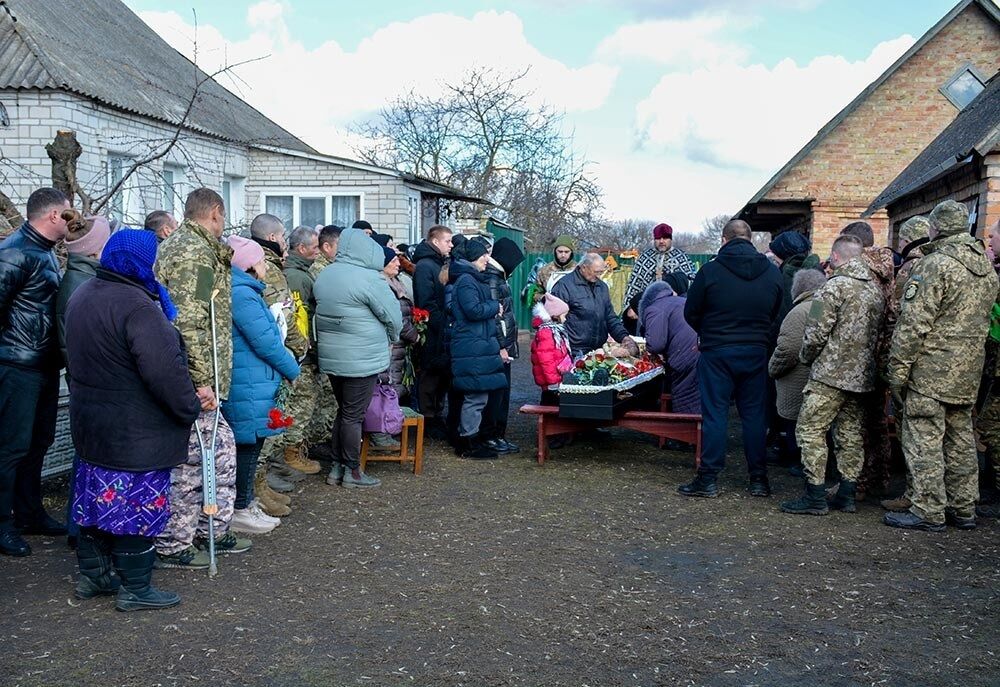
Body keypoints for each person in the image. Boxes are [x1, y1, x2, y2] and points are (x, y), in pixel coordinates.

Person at [65, 229, 200, 610]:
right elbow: (164, 373)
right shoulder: (138, 307)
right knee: (137, 508)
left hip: (92, 424)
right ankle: (136, 588)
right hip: (135, 431)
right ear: (142, 263)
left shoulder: (83, 295)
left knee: (95, 502)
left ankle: (95, 575)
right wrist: (189, 405)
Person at [884, 200, 998, 531]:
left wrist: (898, 369)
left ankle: (928, 508)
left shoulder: (936, 265)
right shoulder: (985, 268)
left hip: (931, 371)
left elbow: (913, 325)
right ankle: (964, 507)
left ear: (936, 228)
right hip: (967, 371)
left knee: (924, 437)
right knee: (961, 438)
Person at [154, 188, 249, 569]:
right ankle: (177, 540)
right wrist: (200, 378)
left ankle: (208, 528)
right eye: (223, 218)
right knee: (197, 459)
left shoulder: (198, 249)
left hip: (207, 373)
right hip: (198, 378)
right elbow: (190, 320)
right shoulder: (193, 254)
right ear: (215, 212)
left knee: (218, 453)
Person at [780, 236, 884, 516]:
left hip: (829, 375)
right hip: (861, 377)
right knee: (850, 435)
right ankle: (847, 494)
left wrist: (806, 358)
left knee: (810, 430)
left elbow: (814, 334)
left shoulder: (832, 288)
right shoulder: (874, 291)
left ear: (836, 257)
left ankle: (815, 494)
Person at [678, 219, 782, 499]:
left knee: (715, 414)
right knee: (754, 416)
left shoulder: (710, 271)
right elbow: (777, 310)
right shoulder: (771, 273)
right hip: (755, 351)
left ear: (724, 240)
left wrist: (708, 333)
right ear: (750, 239)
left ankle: (708, 478)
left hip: (717, 351)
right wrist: (759, 334)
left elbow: (691, 311)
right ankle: (758, 479)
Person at [0, 187, 70, 557]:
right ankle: (3, 523)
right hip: (16, 365)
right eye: (69, 214)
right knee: (11, 447)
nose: (74, 221)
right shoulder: (14, 252)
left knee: (37, 442)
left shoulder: (42, 253)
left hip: (41, 364)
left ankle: (29, 513)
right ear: (54, 216)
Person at [222, 236, 300, 534]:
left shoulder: (244, 290)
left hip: (252, 379)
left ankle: (246, 502)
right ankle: (241, 508)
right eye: (262, 260)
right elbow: (266, 342)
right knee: (248, 445)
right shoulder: (242, 294)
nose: (267, 264)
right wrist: (292, 368)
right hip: (248, 381)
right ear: (251, 264)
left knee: (252, 443)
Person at [314, 228, 402, 488]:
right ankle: (353, 471)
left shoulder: (325, 274)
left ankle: (337, 468)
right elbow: (393, 316)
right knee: (354, 416)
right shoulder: (368, 279)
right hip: (361, 358)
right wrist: (391, 336)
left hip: (332, 356)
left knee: (344, 412)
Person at [55, 212, 112, 547]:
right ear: (94, 251)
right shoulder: (79, 288)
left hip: (85, 383)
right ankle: (78, 529)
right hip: (86, 385)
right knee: (87, 456)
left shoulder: (83, 280)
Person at [880, 215, 932, 512]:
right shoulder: (943, 263)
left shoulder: (912, 269)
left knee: (912, 431)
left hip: (914, 363)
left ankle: (917, 496)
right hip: (947, 366)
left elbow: (900, 317)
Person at [840, 221, 896, 500]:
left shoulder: (859, 274)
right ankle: (881, 477)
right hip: (883, 356)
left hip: (857, 357)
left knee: (855, 423)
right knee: (878, 422)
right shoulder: (890, 268)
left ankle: (858, 482)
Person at [449, 239, 508, 459]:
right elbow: (472, 310)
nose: (487, 260)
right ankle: (467, 442)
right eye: (483, 256)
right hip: (471, 345)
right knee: (475, 397)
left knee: (478, 396)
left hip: (476, 345)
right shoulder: (466, 280)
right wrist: (495, 306)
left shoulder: (470, 279)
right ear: (474, 257)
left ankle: (470, 439)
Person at [767, 269, 827, 472]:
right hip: (815, 377)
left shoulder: (799, 312)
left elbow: (788, 348)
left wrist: (773, 369)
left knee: (794, 423)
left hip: (796, 379)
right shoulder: (819, 307)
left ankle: (797, 461)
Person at [368, 246, 419, 452]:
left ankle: (387, 429)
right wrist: (414, 335)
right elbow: (394, 316)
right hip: (390, 345)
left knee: (394, 387)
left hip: (399, 346)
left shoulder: (396, 283)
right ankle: (380, 434)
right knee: (384, 389)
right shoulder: (383, 286)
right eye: (393, 261)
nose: (398, 264)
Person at [480, 237, 526, 455]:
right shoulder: (492, 279)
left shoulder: (499, 277)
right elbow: (495, 319)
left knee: (502, 394)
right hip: (499, 349)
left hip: (504, 347)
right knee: (496, 395)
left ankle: (498, 435)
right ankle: (491, 436)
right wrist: (501, 346)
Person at [550, 253, 638, 359]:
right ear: (583, 267)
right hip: (573, 351)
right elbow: (554, 323)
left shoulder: (602, 287)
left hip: (599, 351)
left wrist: (624, 337)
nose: (599, 275)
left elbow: (610, 317)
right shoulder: (564, 286)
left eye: (601, 272)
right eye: (596, 272)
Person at [412, 225, 453, 438]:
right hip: (432, 330)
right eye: (448, 241)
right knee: (430, 375)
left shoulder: (439, 263)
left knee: (441, 375)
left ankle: (436, 415)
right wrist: (441, 322)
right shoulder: (426, 266)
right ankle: (428, 418)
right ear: (435, 241)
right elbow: (426, 301)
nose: (451, 245)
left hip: (441, 329)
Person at [637, 281, 700, 414]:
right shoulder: (681, 301)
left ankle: (685, 432)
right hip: (703, 351)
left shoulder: (654, 309)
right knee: (699, 395)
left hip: (685, 357)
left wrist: (650, 348)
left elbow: (656, 344)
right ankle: (701, 431)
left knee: (685, 396)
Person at [623, 223, 697, 322]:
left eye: (665, 238)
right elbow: (634, 284)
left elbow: (691, 283)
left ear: (671, 239)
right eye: (658, 238)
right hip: (647, 311)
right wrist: (630, 307)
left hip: (675, 312)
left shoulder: (681, 257)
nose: (661, 241)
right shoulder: (645, 258)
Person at [768, 231, 820, 323]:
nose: (774, 258)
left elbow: (778, 317)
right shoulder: (819, 273)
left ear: (781, 254)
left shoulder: (781, 278)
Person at [531, 294, 573, 407]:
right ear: (555, 315)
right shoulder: (547, 332)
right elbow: (546, 360)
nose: (565, 318)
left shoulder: (554, 331)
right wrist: (553, 383)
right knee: (551, 407)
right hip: (552, 385)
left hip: (555, 381)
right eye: (563, 315)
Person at [534, 235, 577, 303]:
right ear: (555, 251)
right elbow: (535, 293)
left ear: (571, 252)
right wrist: (544, 298)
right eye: (560, 251)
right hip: (550, 310)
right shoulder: (544, 271)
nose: (563, 255)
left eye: (566, 252)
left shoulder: (579, 270)